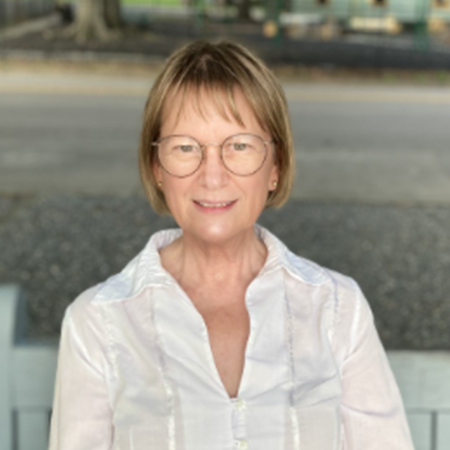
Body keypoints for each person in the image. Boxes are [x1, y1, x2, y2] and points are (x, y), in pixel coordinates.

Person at [49, 41, 414, 450]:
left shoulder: (337, 308)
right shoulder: (97, 323)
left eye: (238, 146)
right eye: (186, 148)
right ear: (156, 169)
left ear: (275, 166)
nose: (212, 176)